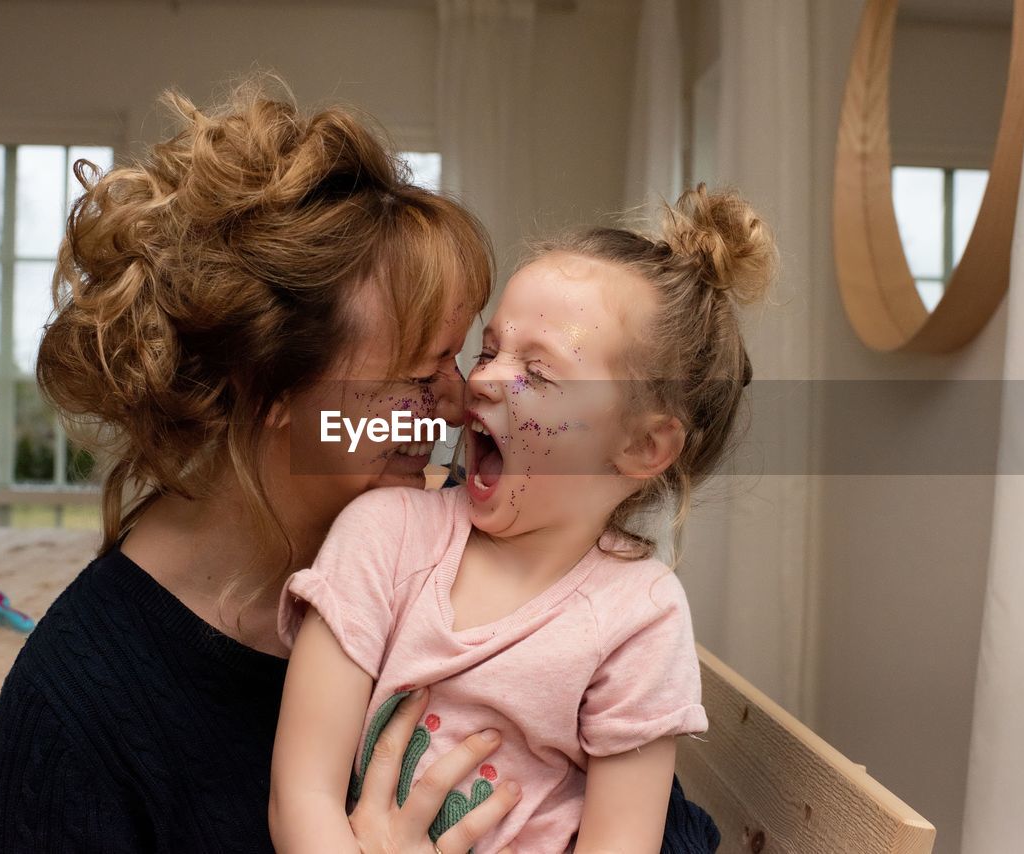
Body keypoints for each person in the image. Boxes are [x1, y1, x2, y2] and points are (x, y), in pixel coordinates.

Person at [0, 81, 719, 854]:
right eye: (422, 378)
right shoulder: (72, 721)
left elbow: (658, 828)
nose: (462, 406)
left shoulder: (474, 559)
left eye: (463, 360)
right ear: (271, 395)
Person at [271, 185, 776, 853]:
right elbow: (300, 795)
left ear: (642, 446)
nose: (480, 381)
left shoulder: (642, 619)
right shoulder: (381, 536)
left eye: (536, 371)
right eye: (489, 350)